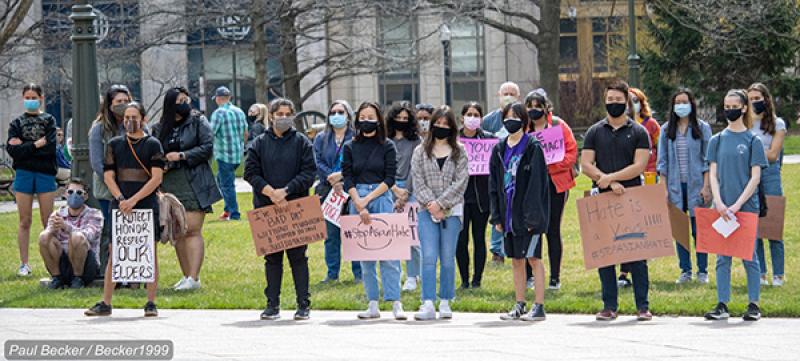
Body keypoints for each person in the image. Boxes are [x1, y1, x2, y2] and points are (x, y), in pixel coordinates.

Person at [581, 80, 652, 321]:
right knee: (605, 254)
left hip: (631, 198)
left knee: (636, 253)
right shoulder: (594, 131)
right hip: (603, 198)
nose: (614, 104)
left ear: (627, 103)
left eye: (618, 100)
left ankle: (642, 306)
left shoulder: (639, 132)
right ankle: (609, 305)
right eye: (610, 100)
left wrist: (611, 177)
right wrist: (609, 182)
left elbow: (639, 165)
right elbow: (586, 164)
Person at [85, 102, 164, 317]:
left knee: (149, 251)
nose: (129, 121)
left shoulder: (153, 144)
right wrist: (121, 198)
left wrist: (134, 200)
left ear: (143, 119)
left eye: (134, 117)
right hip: (120, 204)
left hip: (145, 204)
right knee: (115, 251)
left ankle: (150, 302)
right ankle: (106, 302)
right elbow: (108, 174)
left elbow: (156, 177)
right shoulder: (114, 144)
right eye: (126, 117)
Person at [244, 98, 316, 321]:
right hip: (267, 209)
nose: (283, 117)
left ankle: (303, 304)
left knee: (298, 258)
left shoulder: (302, 142)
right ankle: (272, 304)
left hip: (295, 207)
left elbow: (308, 173)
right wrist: (270, 193)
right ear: (272, 115)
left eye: (288, 113)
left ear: (292, 116)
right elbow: (250, 173)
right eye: (279, 113)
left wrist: (285, 191)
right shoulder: (258, 143)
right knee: (272, 259)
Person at [704, 89, 767, 322]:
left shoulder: (753, 141)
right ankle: (722, 303)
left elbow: (755, 177)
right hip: (722, 208)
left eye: (734, 106)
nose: (729, 110)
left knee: (749, 256)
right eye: (726, 106)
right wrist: (719, 202)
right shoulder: (716, 140)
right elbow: (713, 174)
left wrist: (738, 204)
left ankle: (753, 304)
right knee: (722, 257)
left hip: (746, 208)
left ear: (743, 108)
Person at [150, 87, 221, 291]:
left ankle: (194, 277)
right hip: (169, 184)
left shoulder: (198, 121)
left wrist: (182, 155)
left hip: (194, 182)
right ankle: (186, 276)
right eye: (180, 100)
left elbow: (207, 148)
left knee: (192, 230)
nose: (185, 102)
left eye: (186, 99)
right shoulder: (159, 127)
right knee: (177, 232)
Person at [343, 101, 406, 321]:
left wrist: (368, 199)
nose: (366, 121)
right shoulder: (350, 146)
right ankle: (372, 303)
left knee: (389, 252)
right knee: (364, 254)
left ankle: (395, 301)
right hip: (357, 197)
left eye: (371, 117)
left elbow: (390, 178)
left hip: (380, 196)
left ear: (378, 120)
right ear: (357, 119)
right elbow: (347, 176)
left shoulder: (387, 145)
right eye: (363, 117)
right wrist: (358, 202)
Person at [490, 102, 551, 322]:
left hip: (528, 216)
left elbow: (537, 185)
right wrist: (496, 216)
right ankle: (519, 303)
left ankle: (539, 305)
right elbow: (494, 184)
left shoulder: (532, 146)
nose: (511, 120)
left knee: (533, 258)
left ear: (524, 120)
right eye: (507, 116)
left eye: (516, 116)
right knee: (516, 259)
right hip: (508, 216)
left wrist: (532, 217)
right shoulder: (498, 149)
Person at [411, 105, 469, 320]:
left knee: (447, 258)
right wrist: (431, 205)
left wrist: (442, 205)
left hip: (452, 213)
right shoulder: (420, 152)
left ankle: (445, 300)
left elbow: (461, 181)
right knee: (428, 256)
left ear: (452, 127)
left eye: (446, 124)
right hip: (426, 212)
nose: (441, 127)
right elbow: (418, 182)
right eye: (438, 123)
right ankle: (427, 302)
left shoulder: (459, 151)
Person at [657, 89, 712, 284]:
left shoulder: (703, 128)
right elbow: (662, 162)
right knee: (680, 231)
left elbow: (708, 159)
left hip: (697, 185)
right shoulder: (665, 130)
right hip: (674, 186)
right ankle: (685, 270)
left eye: (684, 101)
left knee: (700, 230)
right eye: (677, 102)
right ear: (673, 107)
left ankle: (703, 270)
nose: (681, 105)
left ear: (691, 104)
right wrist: (662, 189)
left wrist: (707, 186)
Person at [524, 90, 578, 290]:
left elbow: (571, 153)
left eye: (538, 106)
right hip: (530, 186)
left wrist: (550, 166)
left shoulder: (558, 125)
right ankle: (529, 276)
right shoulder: (523, 128)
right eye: (530, 106)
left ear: (546, 107)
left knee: (552, 230)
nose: (534, 110)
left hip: (556, 183)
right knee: (530, 229)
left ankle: (554, 278)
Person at [7, 83, 58, 276]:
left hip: (45, 173)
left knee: (48, 220)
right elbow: (13, 151)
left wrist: (25, 147)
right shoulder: (16, 123)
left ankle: (52, 262)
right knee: (24, 220)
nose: (30, 100)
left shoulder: (49, 120)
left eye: (33, 97)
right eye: (26, 97)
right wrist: (36, 144)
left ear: (41, 98)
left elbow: (50, 147)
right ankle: (24, 263)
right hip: (24, 173)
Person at [617, 87, 661, 287]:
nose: (630, 103)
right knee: (624, 228)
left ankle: (640, 272)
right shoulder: (618, 126)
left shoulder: (650, 125)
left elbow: (659, 149)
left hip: (648, 177)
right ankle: (624, 271)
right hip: (624, 181)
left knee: (642, 227)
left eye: (634, 99)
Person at [314, 100, 361, 284]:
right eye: (333, 112)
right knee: (331, 236)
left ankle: (359, 273)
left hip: (351, 189)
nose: (336, 115)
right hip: (328, 191)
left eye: (340, 112)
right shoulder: (321, 138)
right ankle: (332, 273)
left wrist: (341, 177)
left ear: (348, 115)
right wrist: (331, 178)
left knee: (353, 232)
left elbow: (359, 162)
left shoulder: (356, 137)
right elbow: (317, 162)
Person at [89, 85, 133, 272]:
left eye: (126, 101)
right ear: (109, 104)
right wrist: (115, 185)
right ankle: (110, 270)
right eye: (118, 102)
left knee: (131, 230)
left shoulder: (137, 124)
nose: (122, 105)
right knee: (113, 229)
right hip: (108, 190)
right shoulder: (99, 129)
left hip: (134, 187)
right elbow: (97, 163)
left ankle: (132, 270)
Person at [747, 83, 786, 287]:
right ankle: (760, 272)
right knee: (755, 227)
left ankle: (778, 274)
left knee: (773, 226)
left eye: (757, 98)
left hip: (770, 176)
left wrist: (752, 152)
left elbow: (773, 155)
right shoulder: (745, 124)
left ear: (766, 99)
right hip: (749, 175)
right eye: (751, 99)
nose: (754, 102)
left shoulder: (777, 124)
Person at [482, 81, 521, 265]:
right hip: (496, 172)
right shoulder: (489, 120)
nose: (508, 96)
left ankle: (513, 247)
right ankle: (497, 251)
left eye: (512, 93)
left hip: (516, 172)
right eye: (505, 93)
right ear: (498, 95)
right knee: (497, 209)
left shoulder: (522, 118)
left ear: (518, 97)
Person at [38, 179, 103, 289]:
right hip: (63, 262)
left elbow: (89, 235)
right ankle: (57, 278)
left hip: (86, 265)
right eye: (70, 192)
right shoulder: (57, 214)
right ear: (65, 194)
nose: (74, 195)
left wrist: (67, 227)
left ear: (85, 196)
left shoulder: (95, 214)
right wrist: (51, 230)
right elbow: (47, 237)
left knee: (76, 237)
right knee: (44, 237)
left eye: (79, 193)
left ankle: (78, 279)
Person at [385, 103, 423, 292]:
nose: (401, 122)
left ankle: (412, 275)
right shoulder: (384, 140)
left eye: (405, 119)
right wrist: (392, 189)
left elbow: (415, 169)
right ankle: (394, 272)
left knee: (412, 238)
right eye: (398, 118)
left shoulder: (417, 142)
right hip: (388, 189)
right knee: (392, 236)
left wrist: (405, 193)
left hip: (411, 190)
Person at [456, 102, 493, 289]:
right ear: (462, 117)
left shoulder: (489, 140)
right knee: (460, 240)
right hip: (458, 198)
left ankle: (477, 279)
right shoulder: (454, 140)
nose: (472, 117)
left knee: (479, 238)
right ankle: (464, 280)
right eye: (469, 114)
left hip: (480, 198)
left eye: (476, 114)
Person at [210, 86, 248, 221]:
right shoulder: (239, 111)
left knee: (227, 185)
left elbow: (210, 134)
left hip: (224, 154)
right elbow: (245, 133)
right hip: (237, 155)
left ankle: (234, 214)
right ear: (229, 98)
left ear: (218, 99)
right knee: (221, 180)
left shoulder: (218, 113)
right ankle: (227, 210)